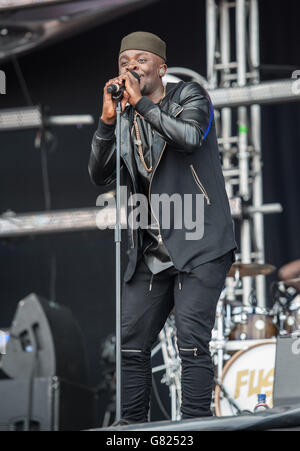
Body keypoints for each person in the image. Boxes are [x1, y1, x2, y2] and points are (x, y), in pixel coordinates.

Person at [89, 31, 237, 423]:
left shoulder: (190, 96)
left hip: (201, 243)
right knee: (131, 344)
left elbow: (189, 137)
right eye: (124, 62)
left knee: (190, 342)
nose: (130, 67)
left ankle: (193, 426)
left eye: (139, 60)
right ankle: (133, 427)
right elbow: (98, 173)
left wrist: (141, 105)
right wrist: (107, 122)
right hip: (151, 251)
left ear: (161, 68)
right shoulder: (125, 118)